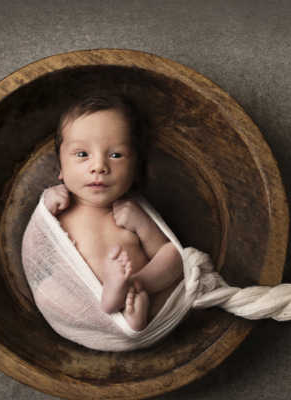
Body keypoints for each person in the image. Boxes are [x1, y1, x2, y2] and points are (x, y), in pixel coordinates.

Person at [40, 95, 183, 331]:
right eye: (82, 154)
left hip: (134, 295)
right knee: (46, 289)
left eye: (116, 155)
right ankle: (112, 302)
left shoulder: (131, 212)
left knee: (177, 257)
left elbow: (167, 254)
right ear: (60, 168)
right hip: (80, 302)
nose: (99, 167)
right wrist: (45, 207)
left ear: (135, 169)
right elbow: (39, 248)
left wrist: (143, 228)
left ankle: (130, 291)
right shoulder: (57, 209)